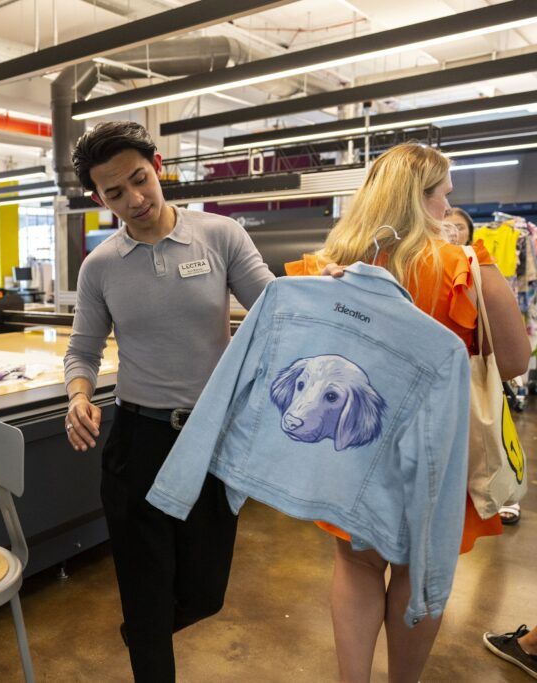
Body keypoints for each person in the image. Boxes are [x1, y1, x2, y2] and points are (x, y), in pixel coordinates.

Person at [285, 142, 531, 683]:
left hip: (350, 442)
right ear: (419, 199)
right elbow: (514, 359)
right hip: (436, 449)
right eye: (443, 195)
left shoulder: (327, 264)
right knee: (419, 573)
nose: (448, 208)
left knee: (356, 562)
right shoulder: (462, 265)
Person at [63, 121, 274, 681]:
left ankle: (145, 630)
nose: (134, 200)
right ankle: (148, 634)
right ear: (97, 198)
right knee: (146, 591)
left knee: (205, 593)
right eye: (114, 193)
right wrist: (78, 396)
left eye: (139, 180)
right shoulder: (101, 266)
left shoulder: (220, 236)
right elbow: (81, 351)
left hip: (211, 441)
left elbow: (274, 309)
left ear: (158, 166)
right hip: (138, 446)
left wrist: (327, 288)